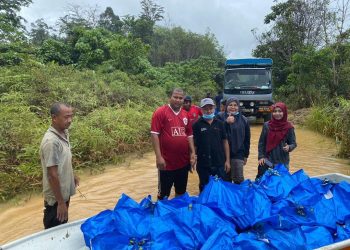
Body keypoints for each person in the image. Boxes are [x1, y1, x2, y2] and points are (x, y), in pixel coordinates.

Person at [151, 88, 196, 200]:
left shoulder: (186, 115)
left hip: (183, 162)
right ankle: (162, 214)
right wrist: (158, 157)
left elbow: (189, 135)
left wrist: (192, 153)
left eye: (180, 98)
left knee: (181, 193)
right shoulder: (160, 112)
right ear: (169, 98)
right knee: (163, 195)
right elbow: (154, 134)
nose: (178, 100)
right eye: (175, 97)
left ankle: (178, 213)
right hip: (166, 164)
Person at [40, 102, 79, 229]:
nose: (70, 120)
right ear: (54, 118)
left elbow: (63, 161)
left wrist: (71, 175)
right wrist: (61, 203)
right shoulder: (51, 141)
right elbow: (52, 174)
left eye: (71, 116)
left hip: (63, 193)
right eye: (66, 117)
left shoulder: (63, 133)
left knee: (62, 225)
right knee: (54, 229)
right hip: (57, 199)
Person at [193, 98, 231, 192]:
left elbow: (225, 142)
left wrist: (227, 161)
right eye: (205, 109)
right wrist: (193, 158)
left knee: (220, 188)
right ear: (201, 110)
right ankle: (204, 205)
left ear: (214, 108)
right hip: (203, 164)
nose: (208, 111)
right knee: (204, 188)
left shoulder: (220, 123)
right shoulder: (196, 125)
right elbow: (194, 144)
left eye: (210, 108)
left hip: (219, 162)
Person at [257, 102, 297, 178]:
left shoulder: (289, 127)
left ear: (284, 112)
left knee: (281, 183)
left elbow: (293, 143)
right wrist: (261, 157)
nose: (277, 113)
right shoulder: (267, 126)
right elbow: (261, 143)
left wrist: (289, 147)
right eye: (275, 111)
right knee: (262, 180)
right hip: (267, 160)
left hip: (282, 162)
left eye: (280, 111)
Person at [216, 97, 250, 184]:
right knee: (225, 179)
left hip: (238, 153)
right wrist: (226, 123)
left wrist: (246, 155)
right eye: (230, 105)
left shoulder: (244, 120)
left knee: (238, 179)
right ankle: (227, 197)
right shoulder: (220, 117)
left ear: (238, 107)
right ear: (226, 106)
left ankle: (238, 196)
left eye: (235, 105)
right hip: (222, 153)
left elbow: (247, 139)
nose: (233, 107)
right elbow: (216, 132)